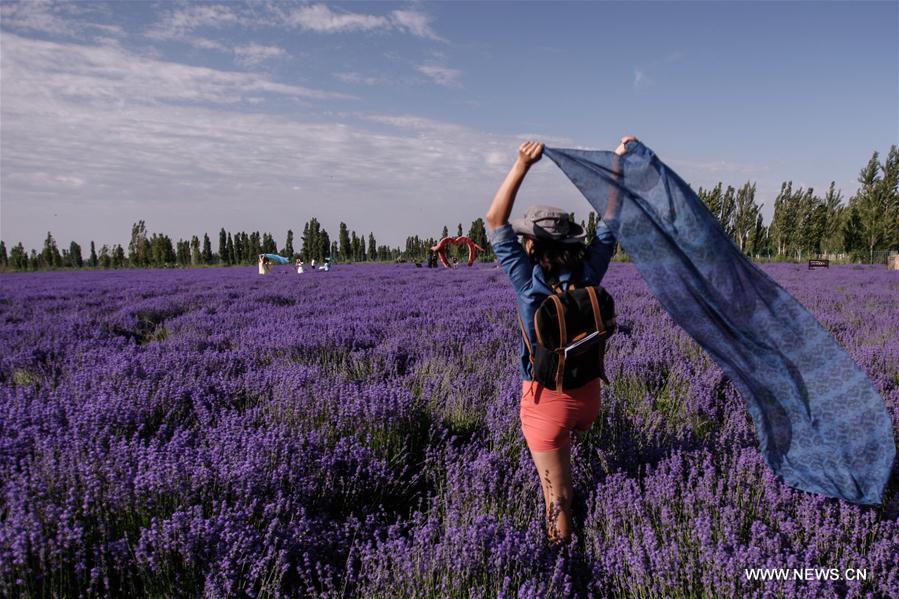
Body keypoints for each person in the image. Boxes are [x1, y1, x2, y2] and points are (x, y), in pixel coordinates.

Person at [485, 136, 636, 545]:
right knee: (570, 447)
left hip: (546, 401)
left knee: (558, 497)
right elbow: (611, 220)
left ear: (532, 244)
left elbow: (495, 220)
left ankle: (563, 561)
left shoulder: (526, 281)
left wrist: (521, 164)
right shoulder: (590, 272)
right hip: (589, 394)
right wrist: (617, 163)